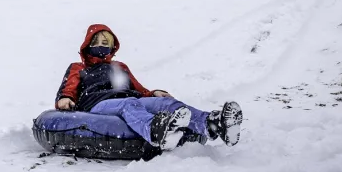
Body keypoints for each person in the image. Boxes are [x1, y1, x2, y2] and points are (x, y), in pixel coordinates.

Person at [54, 24, 243, 150]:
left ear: (112, 48)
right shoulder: (79, 68)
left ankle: (211, 124)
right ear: (88, 45)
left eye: (106, 43)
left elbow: (139, 89)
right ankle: (155, 131)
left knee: (166, 105)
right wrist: (65, 98)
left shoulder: (120, 67)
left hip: (128, 99)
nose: (101, 46)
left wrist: (154, 93)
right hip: (97, 104)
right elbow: (68, 88)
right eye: (96, 43)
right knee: (128, 103)